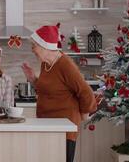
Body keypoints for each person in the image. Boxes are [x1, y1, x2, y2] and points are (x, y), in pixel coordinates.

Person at [21, 24, 97, 162]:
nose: (32, 50)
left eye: (34, 46)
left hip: (64, 129)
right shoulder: (45, 63)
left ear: (45, 46)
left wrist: (84, 113)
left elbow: (86, 92)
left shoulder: (65, 64)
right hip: (46, 125)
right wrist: (33, 79)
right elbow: (49, 91)